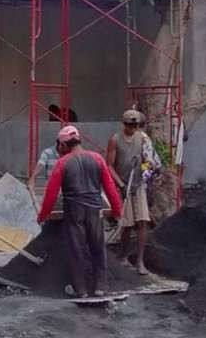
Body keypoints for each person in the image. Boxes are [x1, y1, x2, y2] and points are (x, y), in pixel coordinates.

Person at [36, 125, 123, 298]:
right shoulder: (97, 159)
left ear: (63, 144)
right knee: (98, 247)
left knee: (76, 249)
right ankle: (101, 287)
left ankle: (80, 290)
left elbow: (51, 194)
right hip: (95, 210)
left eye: (59, 146)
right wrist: (117, 211)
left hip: (74, 211)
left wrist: (42, 216)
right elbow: (110, 188)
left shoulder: (63, 163)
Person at [106, 109, 151, 274]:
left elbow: (150, 161)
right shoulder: (115, 140)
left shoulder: (143, 138)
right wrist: (121, 185)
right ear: (124, 124)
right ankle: (123, 256)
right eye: (130, 125)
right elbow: (109, 165)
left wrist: (144, 166)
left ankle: (140, 261)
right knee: (126, 224)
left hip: (138, 185)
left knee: (142, 221)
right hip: (123, 185)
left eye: (136, 125)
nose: (133, 128)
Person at [27, 139, 60, 208]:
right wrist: (33, 178)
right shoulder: (48, 152)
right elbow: (40, 164)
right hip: (51, 186)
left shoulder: (69, 152)